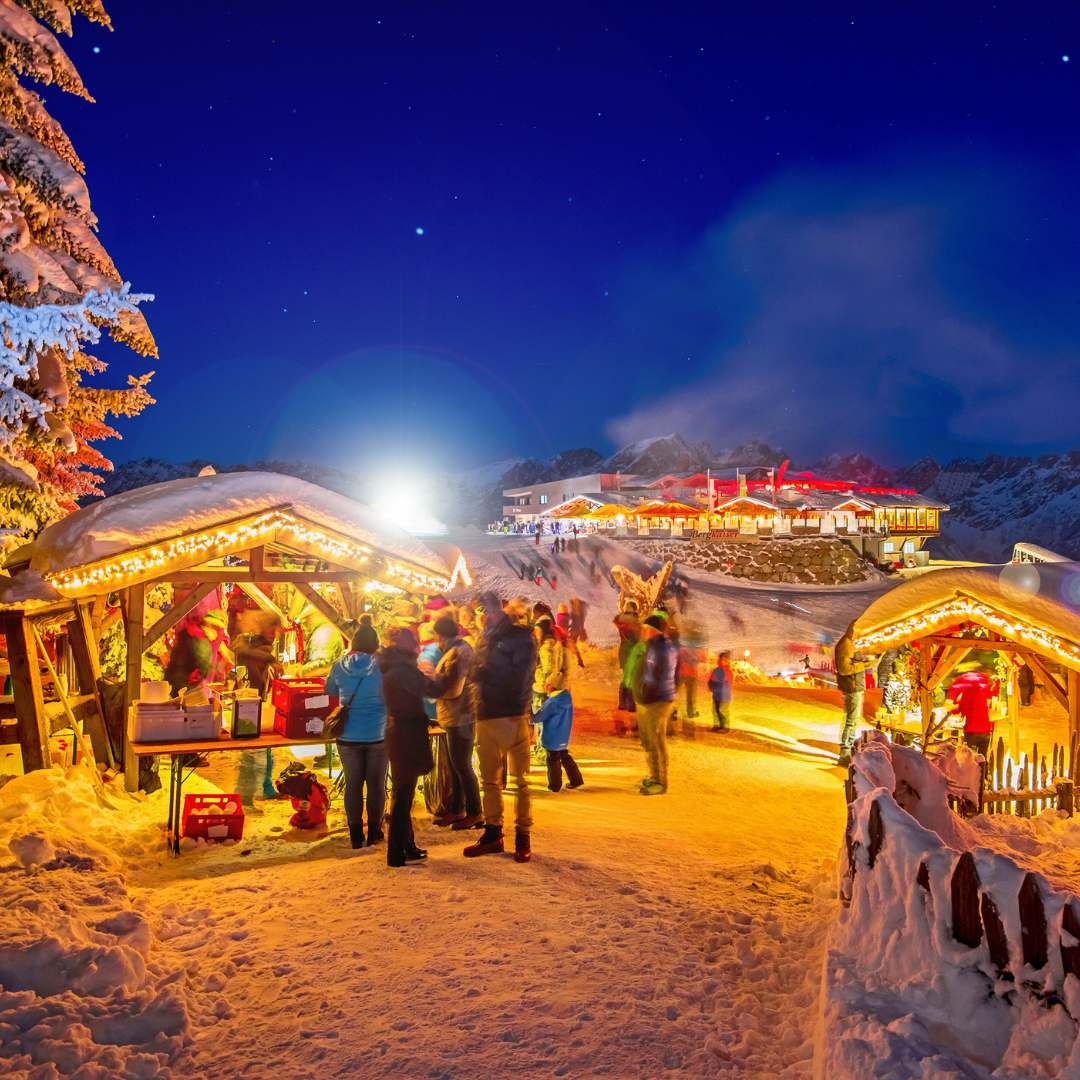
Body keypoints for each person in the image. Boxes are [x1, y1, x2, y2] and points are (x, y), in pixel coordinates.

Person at [464, 591, 537, 863]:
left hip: (511, 715)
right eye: (477, 612)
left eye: (484, 611)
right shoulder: (485, 638)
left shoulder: (519, 637)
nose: (481, 617)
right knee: (489, 781)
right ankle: (493, 833)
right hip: (486, 715)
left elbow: (522, 677)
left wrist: (485, 674)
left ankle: (522, 836)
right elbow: (476, 672)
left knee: (520, 781)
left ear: (496, 610)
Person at [324, 621, 388, 848]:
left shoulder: (339, 664)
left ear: (353, 643)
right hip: (378, 735)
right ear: (375, 644)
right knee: (376, 785)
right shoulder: (383, 665)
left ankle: (355, 834)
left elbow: (329, 690)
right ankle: (374, 831)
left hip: (347, 736)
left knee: (353, 784)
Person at [380, 628, 433, 867]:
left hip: (396, 731)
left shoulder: (389, 667)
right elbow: (434, 690)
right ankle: (396, 854)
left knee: (402, 794)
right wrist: (457, 670)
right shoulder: (405, 670)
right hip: (407, 734)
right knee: (403, 796)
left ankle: (406, 847)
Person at [424, 614, 483, 830]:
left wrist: (431, 684)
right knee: (455, 766)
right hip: (455, 715)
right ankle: (457, 810)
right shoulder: (458, 650)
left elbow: (453, 689)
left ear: (439, 635)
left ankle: (475, 812)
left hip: (461, 716)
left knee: (462, 766)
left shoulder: (459, 653)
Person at [233, 614, 285, 810]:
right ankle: (244, 795)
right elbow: (244, 652)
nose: (275, 633)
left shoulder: (267, 646)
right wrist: (271, 659)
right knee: (250, 753)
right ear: (263, 628)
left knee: (267, 750)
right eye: (272, 629)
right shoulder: (251, 643)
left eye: (277, 629)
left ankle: (266, 788)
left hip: (262, 703)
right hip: (248, 704)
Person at [630, 615, 679, 794]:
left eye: (645, 628)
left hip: (656, 701)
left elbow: (654, 678)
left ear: (654, 631)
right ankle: (654, 776)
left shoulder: (661, 650)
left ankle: (660, 781)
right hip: (648, 700)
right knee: (649, 741)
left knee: (656, 741)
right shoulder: (653, 646)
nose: (642, 631)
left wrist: (644, 693)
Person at [835, 620, 875, 768]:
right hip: (851, 688)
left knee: (853, 720)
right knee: (851, 721)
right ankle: (844, 754)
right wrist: (863, 665)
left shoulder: (851, 643)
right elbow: (844, 668)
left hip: (854, 687)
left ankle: (847, 751)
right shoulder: (846, 643)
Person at [532, 614, 569, 763]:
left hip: (542, 688)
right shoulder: (556, 643)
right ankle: (545, 751)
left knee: (542, 723)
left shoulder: (546, 647)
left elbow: (548, 670)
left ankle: (543, 754)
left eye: (537, 629)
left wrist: (535, 670)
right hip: (553, 689)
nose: (535, 632)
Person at [532, 689, 583, 791]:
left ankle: (554, 785)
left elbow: (538, 717)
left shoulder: (551, 703)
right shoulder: (566, 697)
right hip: (563, 734)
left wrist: (527, 717)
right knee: (564, 755)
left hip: (552, 736)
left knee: (552, 759)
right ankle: (576, 780)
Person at [947, 667, 996, 758]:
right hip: (985, 729)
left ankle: (971, 772)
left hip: (973, 729)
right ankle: (984, 772)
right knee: (982, 757)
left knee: (968, 758)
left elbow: (963, 710)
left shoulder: (967, 690)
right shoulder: (983, 689)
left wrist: (952, 711)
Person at [613, 601, 641, 735]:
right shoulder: (634, 621)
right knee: (633, 676)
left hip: (623, 650)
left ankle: (622, 702)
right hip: (632, 650)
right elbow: (638, 637)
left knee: (626, 676)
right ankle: (630, 703)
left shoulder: (620, 620)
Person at [707, 651, 733, 733]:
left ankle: (725, 726)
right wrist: (711, 687)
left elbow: (728, 683)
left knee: (723, 711)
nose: (725, 662)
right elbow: (711, 680)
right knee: (716, 711)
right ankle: (717, 725)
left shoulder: (728, 672)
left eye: (727, 660)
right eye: (724, 660)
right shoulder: (716, 670)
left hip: (725, 696)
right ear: (720, 660)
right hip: (717, 695)